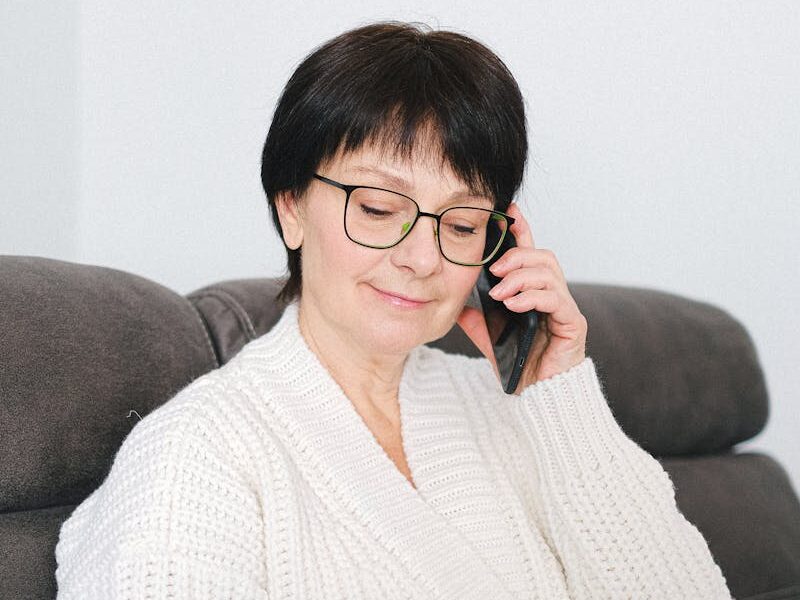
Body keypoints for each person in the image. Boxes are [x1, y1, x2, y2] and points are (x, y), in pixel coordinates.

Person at [54, 21, 733, 599]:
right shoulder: (197, 458)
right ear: (290, 207)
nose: (423, 258)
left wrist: (561, 397)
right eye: (379, 209)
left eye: (463, 225)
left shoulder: (512, 411)